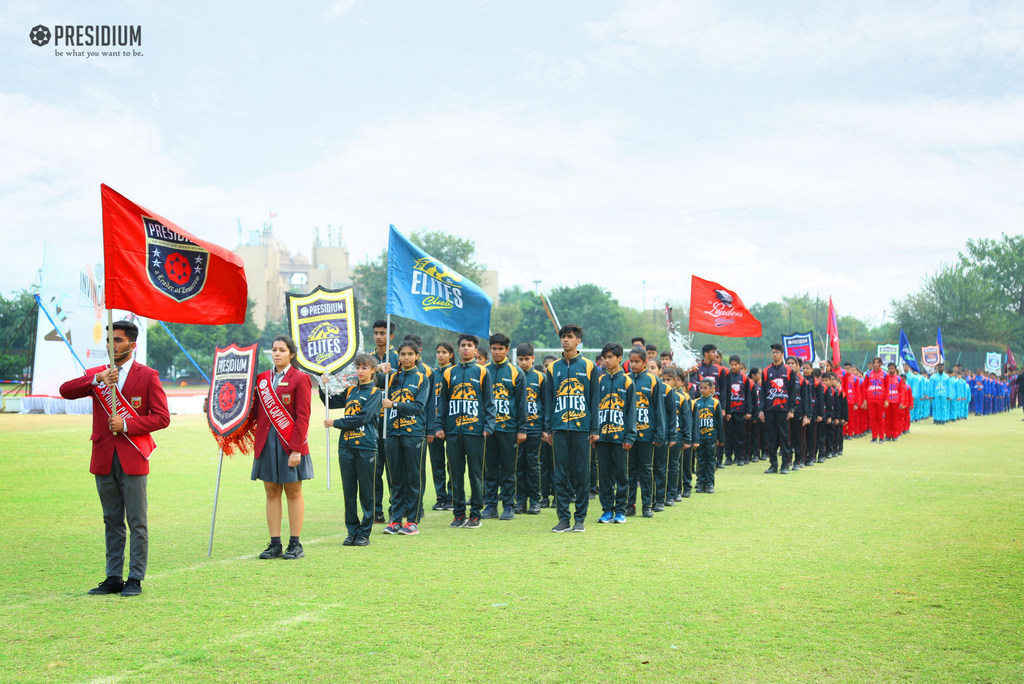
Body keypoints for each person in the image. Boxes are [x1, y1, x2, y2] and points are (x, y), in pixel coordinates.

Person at [59, 320, 170, 596]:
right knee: (111, 519)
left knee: (137, 521)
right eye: (109, 340)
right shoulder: (99, 374)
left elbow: (162, 417)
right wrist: (97, 379)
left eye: (117, 340)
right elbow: (65, 390)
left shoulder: (147, 375)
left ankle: (135, 578)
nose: (111, 345)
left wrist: (128, 425)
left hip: (133, 455)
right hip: (104, 456)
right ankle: (113, 577)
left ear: (132, 345)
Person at [253, 335, 313, 561]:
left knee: (293, 491)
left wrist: (296, 449)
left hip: (290, 444)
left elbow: (303, 417)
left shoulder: (300, 378)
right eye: (274, 349)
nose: (277, 353)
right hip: (267, 442)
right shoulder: (262, 379)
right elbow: (255, 410)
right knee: (271, 491)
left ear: (291, 354)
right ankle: (275, 543)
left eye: (282, 350)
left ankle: (295, 544)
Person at [543, 324, 601, 533]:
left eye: (569, 337)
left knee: (581, 474)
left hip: (582, 429)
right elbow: (548, 400)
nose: (565, 340)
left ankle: (580, 519)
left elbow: (594, 399)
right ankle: (563, 519)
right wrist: (548, 428)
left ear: (578, 341)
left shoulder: (589, 366)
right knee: (560, 475)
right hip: (559, 428)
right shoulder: (552, 368)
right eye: (563, 337)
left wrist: (595, 428)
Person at [436, 334, 495, 529]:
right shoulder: (448, 373)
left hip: (476, 432)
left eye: (469, 346)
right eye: (462, 345)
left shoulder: (482, 372)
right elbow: (442, 403)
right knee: (456, 474)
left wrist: (488, 426)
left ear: (476, 350)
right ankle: (459, 514)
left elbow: (489, 402)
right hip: (453, 432)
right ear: (458, 349)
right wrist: (439, 426)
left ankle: (476, 514)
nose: (466, 348)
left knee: (476, 474)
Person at [323, 354, 381, 547]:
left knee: (366, 492)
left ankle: (364, 532)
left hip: (365, 446)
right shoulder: (350, 391)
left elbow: (362, 418)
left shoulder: (375, 393)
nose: (360, 371)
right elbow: (330, 402)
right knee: (349, 492)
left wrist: (336, 423)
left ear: (372, 370)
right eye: (358, 367)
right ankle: (352, 531)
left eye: (364, 367)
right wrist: (324, 386)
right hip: (346, 447)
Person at [382, 340, 431, 535]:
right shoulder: (391, 377)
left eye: (410, 354)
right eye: (403, 354)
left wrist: (394, 405)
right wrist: (379, 367)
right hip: (393, 432)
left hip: (414, 434)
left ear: (417, 355)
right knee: (396, 478)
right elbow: (370, 376)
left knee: (414, 478)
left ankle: (412, 520)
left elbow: (418, 407)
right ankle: (395, 519)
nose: (406, 358)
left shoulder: (422, 378)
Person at [482, 333, 527, 520]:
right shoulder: (482, 370)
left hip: (508, 428)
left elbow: (521, 403)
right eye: (494, 348)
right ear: (490, 349)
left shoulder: (516, 372)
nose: (497, 352)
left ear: (507, 350)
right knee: (489, 469)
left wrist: (521, 429)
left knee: (509, 469)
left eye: (501, 349)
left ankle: (509, 505)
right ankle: (490, 505)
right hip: (487, 429)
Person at [595, 343, 636, 524]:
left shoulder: (627, 381)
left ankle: (620, 510)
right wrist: (594, 432)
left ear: (620, 358)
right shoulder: (599, 381)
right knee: (604, 475)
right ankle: (606, 510)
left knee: (621, 474)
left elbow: (631, 412)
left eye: (611, 357)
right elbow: (594, 408)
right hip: (602, 437)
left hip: (620, 438)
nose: (607, 361)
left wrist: (630, 435)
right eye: (605, 357)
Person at [625, 345, 664, 517]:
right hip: (628, 435)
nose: (633, 365)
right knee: (630, 470)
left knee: (646, 470)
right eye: (631, 362)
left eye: (637, 362)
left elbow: (658, 409)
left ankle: (647, 504)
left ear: (645, 362)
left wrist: (659, 433)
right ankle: (630, 504)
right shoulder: (624, 379)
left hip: (647, 433)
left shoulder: (653, 381)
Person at [371, 319, 398, 524]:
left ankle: (395, 508)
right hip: (373, 420)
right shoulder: (369, 359)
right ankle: (376, 510)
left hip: (393, 421)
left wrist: (391, 373)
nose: (379, 336)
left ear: (391, 336)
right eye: (376, 333)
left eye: (383, 333)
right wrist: (376, 370)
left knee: (393, 469)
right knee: (375, 468)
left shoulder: (399, 357)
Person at [515, 343, 546, 515]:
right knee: (518, 465)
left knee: (533, 464)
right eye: (521, 359)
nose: (524, 362)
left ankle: (535, 500)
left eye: (527, 359)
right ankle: (520, 500)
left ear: (533, 358)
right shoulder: (515, 375)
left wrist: (545, 428)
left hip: (535, 427)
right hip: (517, 428)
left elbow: (546, 403)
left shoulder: (540, 377)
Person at [761, 343, 797, 474]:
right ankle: (773, 465)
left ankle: (785, 465)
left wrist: (792, 409)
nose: (774, 354)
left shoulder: (788, 371)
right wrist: (761, 410)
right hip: (770, 410)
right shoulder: (765, 371)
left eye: (777, 352)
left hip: (783, 411)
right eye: (773, 352)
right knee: (771, 439)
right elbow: (763, 393)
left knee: (785, 438)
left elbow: (793, 392)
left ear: (782, 354)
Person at [428, 342, 455, 510]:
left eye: (444, 352)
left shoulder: (456, 372)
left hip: (452, 424)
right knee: (437, 462)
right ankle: (440, 496)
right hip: (434, 424)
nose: (440, 355)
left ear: (451, 355)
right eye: (438, 352)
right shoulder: (432, 374)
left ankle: (453, 496)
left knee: (452, 462)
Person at [692, 379, 724, 493]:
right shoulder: (695, 402)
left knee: (711, 460)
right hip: (699, 436)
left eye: (705, 388)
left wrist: (721, 438)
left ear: (711, 389)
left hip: (711, 436)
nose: (703, 390)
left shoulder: (715, 403)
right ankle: (700, 483)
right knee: (700, 460)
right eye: (701, 388)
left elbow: (719, 421)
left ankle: (710, 483)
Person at [723, 355, 751, 467]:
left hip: (740, 411)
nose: (734, 367)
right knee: (728, 435)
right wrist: (725, 409)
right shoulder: (726, 377)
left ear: (739, 365)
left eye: (736, 365)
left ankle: (740, 458)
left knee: (740, 435)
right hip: (729, 412)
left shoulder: (744, 378)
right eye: (732, 365)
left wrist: (748, 411)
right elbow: (724, 394)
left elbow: (748, 395)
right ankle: (728, 457)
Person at [863, 357, 887, 443]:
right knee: (873, 418)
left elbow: (887, 388)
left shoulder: (885, 374)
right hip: (871, 399)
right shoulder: (868, 374)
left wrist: (886, 400)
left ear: (881, 364)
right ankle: (874, 437)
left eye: (877, 363)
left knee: (880, 418)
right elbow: (865, 387)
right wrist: (865, 400)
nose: (876, 364)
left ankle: (881, 437)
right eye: (874, 363)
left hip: (881, 399)